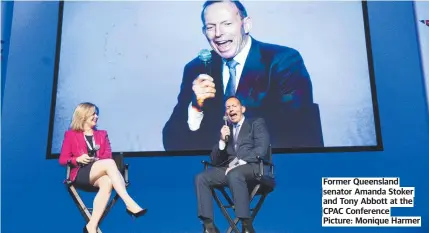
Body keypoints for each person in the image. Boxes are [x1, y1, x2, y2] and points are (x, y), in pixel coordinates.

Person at [163, 0, 323, 152]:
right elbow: (172, 141)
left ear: (246, 25)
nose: (218, 34)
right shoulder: (196, 68)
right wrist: (196, 107)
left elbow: (296, 134)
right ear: (204, 32)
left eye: (227, 24)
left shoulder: (283, 60)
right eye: (211, 27)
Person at [58, 102, 147, 233]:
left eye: (96, 113)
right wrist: (77, 159)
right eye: (93, 113)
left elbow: (106, 155)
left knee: (108, 181)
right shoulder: (71, 135)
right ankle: (129, 203)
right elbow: (63, 159)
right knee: (110, 163)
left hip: (98, 171)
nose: (96, 116)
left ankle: (91, 226)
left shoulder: (102, 135)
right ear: (83, 115)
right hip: (80, 173)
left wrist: (96, 160)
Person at [195, 96, 269, 233]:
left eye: (234, 106)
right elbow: (216, 161)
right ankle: (209, 226)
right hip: (230, 170)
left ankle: (246, 225)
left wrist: (239, 162)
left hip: (253, 167)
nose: (230, 109)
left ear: (243, 109)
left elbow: (261, 149)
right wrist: (222, 141)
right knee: (202, 177)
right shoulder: (226, 130)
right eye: (227, 108)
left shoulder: (255, 123)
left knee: (235, 173)